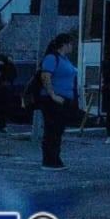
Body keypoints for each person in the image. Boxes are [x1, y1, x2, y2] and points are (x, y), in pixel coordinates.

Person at [38, 34, 79, 171]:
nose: (72, 47)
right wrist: (52, 94)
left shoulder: (65, 59)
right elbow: (46, 76)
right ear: (64, 44)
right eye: (71, 44)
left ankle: (55, 158)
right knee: (52, 130)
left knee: (58, 130)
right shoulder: (51, 58)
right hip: (53, 100)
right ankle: (49, 160)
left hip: (65, 99)